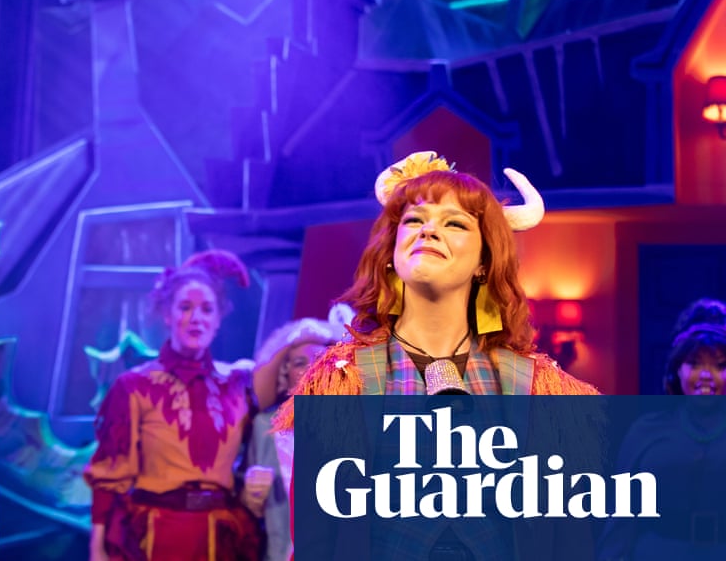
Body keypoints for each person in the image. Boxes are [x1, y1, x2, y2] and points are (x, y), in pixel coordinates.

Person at [272, 151, 599, 559]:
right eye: (414, 220)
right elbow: (315, 539)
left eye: (455, 223)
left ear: (484, 262)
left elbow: (569, 539)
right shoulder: (342, 381)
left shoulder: (540, 388)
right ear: (392, 250)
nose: (428, 230)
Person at [85, 250, 267, 561]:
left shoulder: (238, 382)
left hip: (219, 536)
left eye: (207, 309)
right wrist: (97, 548)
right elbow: (109, 475)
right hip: (156, 536)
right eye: (185, 307)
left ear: (218, 320)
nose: (197, 318)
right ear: (167, 315)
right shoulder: (135, 385)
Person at [598, 325, 726, 559]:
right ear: (677, 371)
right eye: (695, 364)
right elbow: (621, 513)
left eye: (720, 366)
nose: (706, 374)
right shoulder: (646, 430)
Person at [246, 305, 353, 561]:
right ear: (285, 373)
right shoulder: (264, 426)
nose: (309, 369)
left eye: (318, 361)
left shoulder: (351, 426)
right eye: (299, 363)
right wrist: (250, 495)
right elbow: (249, 501)